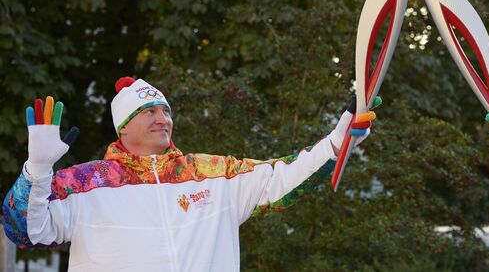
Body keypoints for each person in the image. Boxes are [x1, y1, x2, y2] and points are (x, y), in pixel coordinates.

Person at [2, 77, 375, 271]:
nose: (162, 119)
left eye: (165, 111)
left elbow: (283, 177)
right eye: (148, 112)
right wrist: (37, 168)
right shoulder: (86, 184)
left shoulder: (211, 174)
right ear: (123, 128)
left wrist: (338, 140)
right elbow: (23, 229)